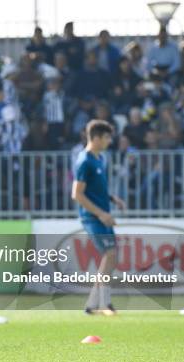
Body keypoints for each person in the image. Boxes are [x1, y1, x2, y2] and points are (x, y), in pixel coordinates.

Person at [71, 119, 125, 316]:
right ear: (95, 138)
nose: (109, 141)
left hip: (103, 216)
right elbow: (77, 194)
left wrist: (112, 198)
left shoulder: (98, 159)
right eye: (106, 137)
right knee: (110, 254)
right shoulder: (84, 161)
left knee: (111, 256)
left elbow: (95, 189)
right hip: (93, 218)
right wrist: (101, 214)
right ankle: (104, 303)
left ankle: (93, 304)